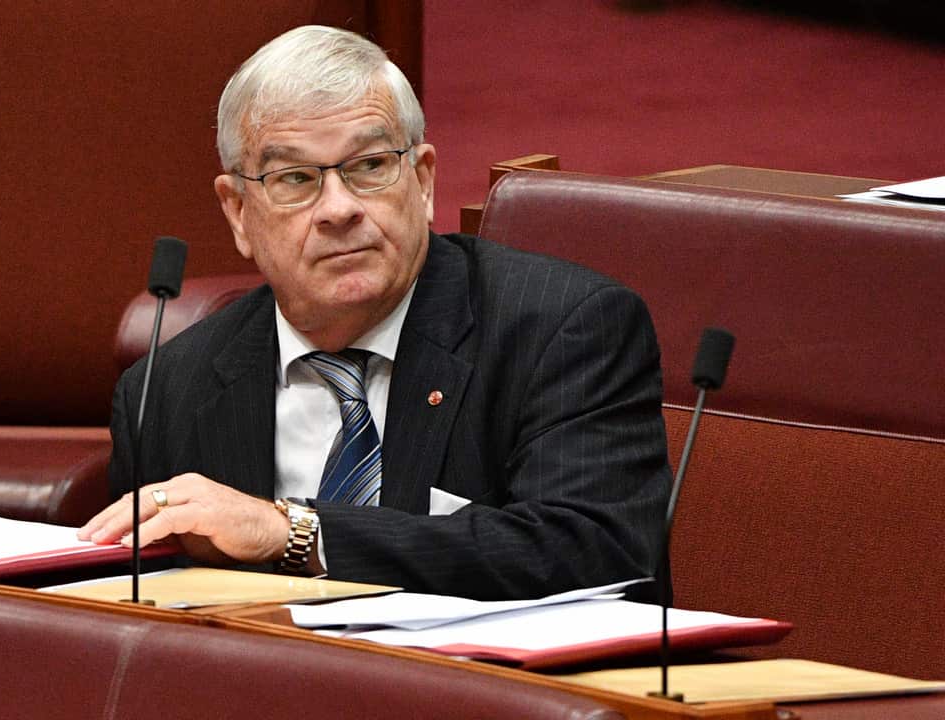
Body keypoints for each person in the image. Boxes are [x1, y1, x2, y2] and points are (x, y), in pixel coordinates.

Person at [78, 25, 671, 600]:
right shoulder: (165, 393)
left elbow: (595, 547)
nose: (339, 209)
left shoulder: (562, 328)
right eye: (295, 178)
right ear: (238, 213)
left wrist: (296, 534)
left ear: (423, 180)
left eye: (369, 166)